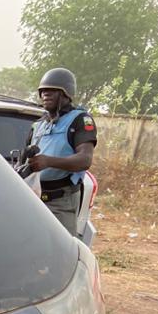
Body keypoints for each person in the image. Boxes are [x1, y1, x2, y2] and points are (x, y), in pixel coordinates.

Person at [26, 68, 98, 235]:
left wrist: (48, 161)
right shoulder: (39, 125)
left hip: (61, 202)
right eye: (43, 91)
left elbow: (85, 159)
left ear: (66, 94)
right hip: (33, 198)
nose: (46, 94)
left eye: (52, 91)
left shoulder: (80, 120)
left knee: (61, 251)